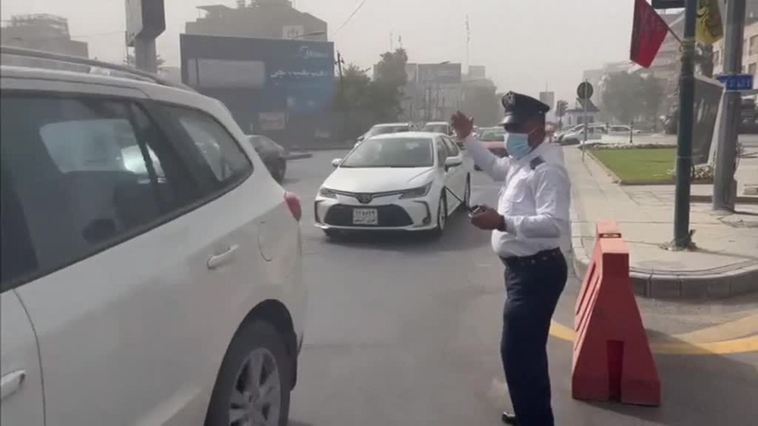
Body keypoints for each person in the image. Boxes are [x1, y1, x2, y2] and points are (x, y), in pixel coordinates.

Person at [451, 92, 571, 426]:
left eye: (516, 127)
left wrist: (502, 222)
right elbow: (493, 166)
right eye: (508, 127)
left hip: (537, 273)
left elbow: (555, 224)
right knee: (524, 354)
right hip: (523, 272)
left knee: (519, 354)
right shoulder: (525, 161)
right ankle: (529, 413)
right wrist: (467, 138)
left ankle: (536, 420)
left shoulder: (547, 169)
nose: (510, 134)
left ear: (536, 129)